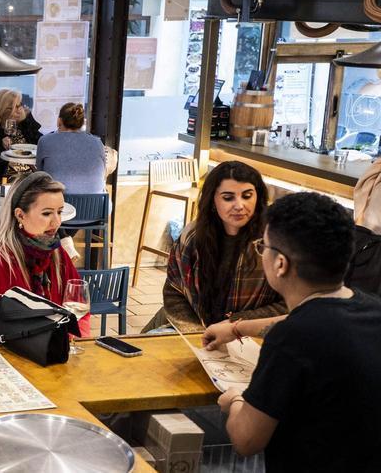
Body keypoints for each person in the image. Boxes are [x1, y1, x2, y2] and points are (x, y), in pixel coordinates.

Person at [204, 192, 381, 471]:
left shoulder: (292, 338)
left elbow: (246, 440)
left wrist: (235, 399)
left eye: (264, 246)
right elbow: (310, 323)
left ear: (280, 264)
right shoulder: (370, 308)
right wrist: (236, 328)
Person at [0, 172, 89, 345]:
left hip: (45, 351)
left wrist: (74, 345)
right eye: (47, 213)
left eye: (59, 212)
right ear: (20, 215)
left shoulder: (56, 253)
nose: (56, 222)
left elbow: (78, 306)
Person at [144, 161, 286, 333]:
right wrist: (196, 333)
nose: (239, 206)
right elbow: (174, 291)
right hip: (194, 328)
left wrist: (234, 326)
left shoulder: (275, 241)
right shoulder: (192, 237)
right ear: (213, 200)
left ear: (258, 197)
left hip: (252, 336)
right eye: (228, 198)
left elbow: (291, 304)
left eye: (247, 196)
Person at [35, 103, 107, 194]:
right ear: (82, 123)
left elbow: (39, 175)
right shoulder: (97, 143)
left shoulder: (45, 141)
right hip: (93, 206)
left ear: (59, 121)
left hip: (57, 204)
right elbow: (103, 174)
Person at [0, 89, 42, 191]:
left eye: (20, 105)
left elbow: (41, 142)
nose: (20, 109)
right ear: (3, 109)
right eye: (14, 107)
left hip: (30, 180)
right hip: (4, 182)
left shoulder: (26, 125)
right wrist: (1, 147)